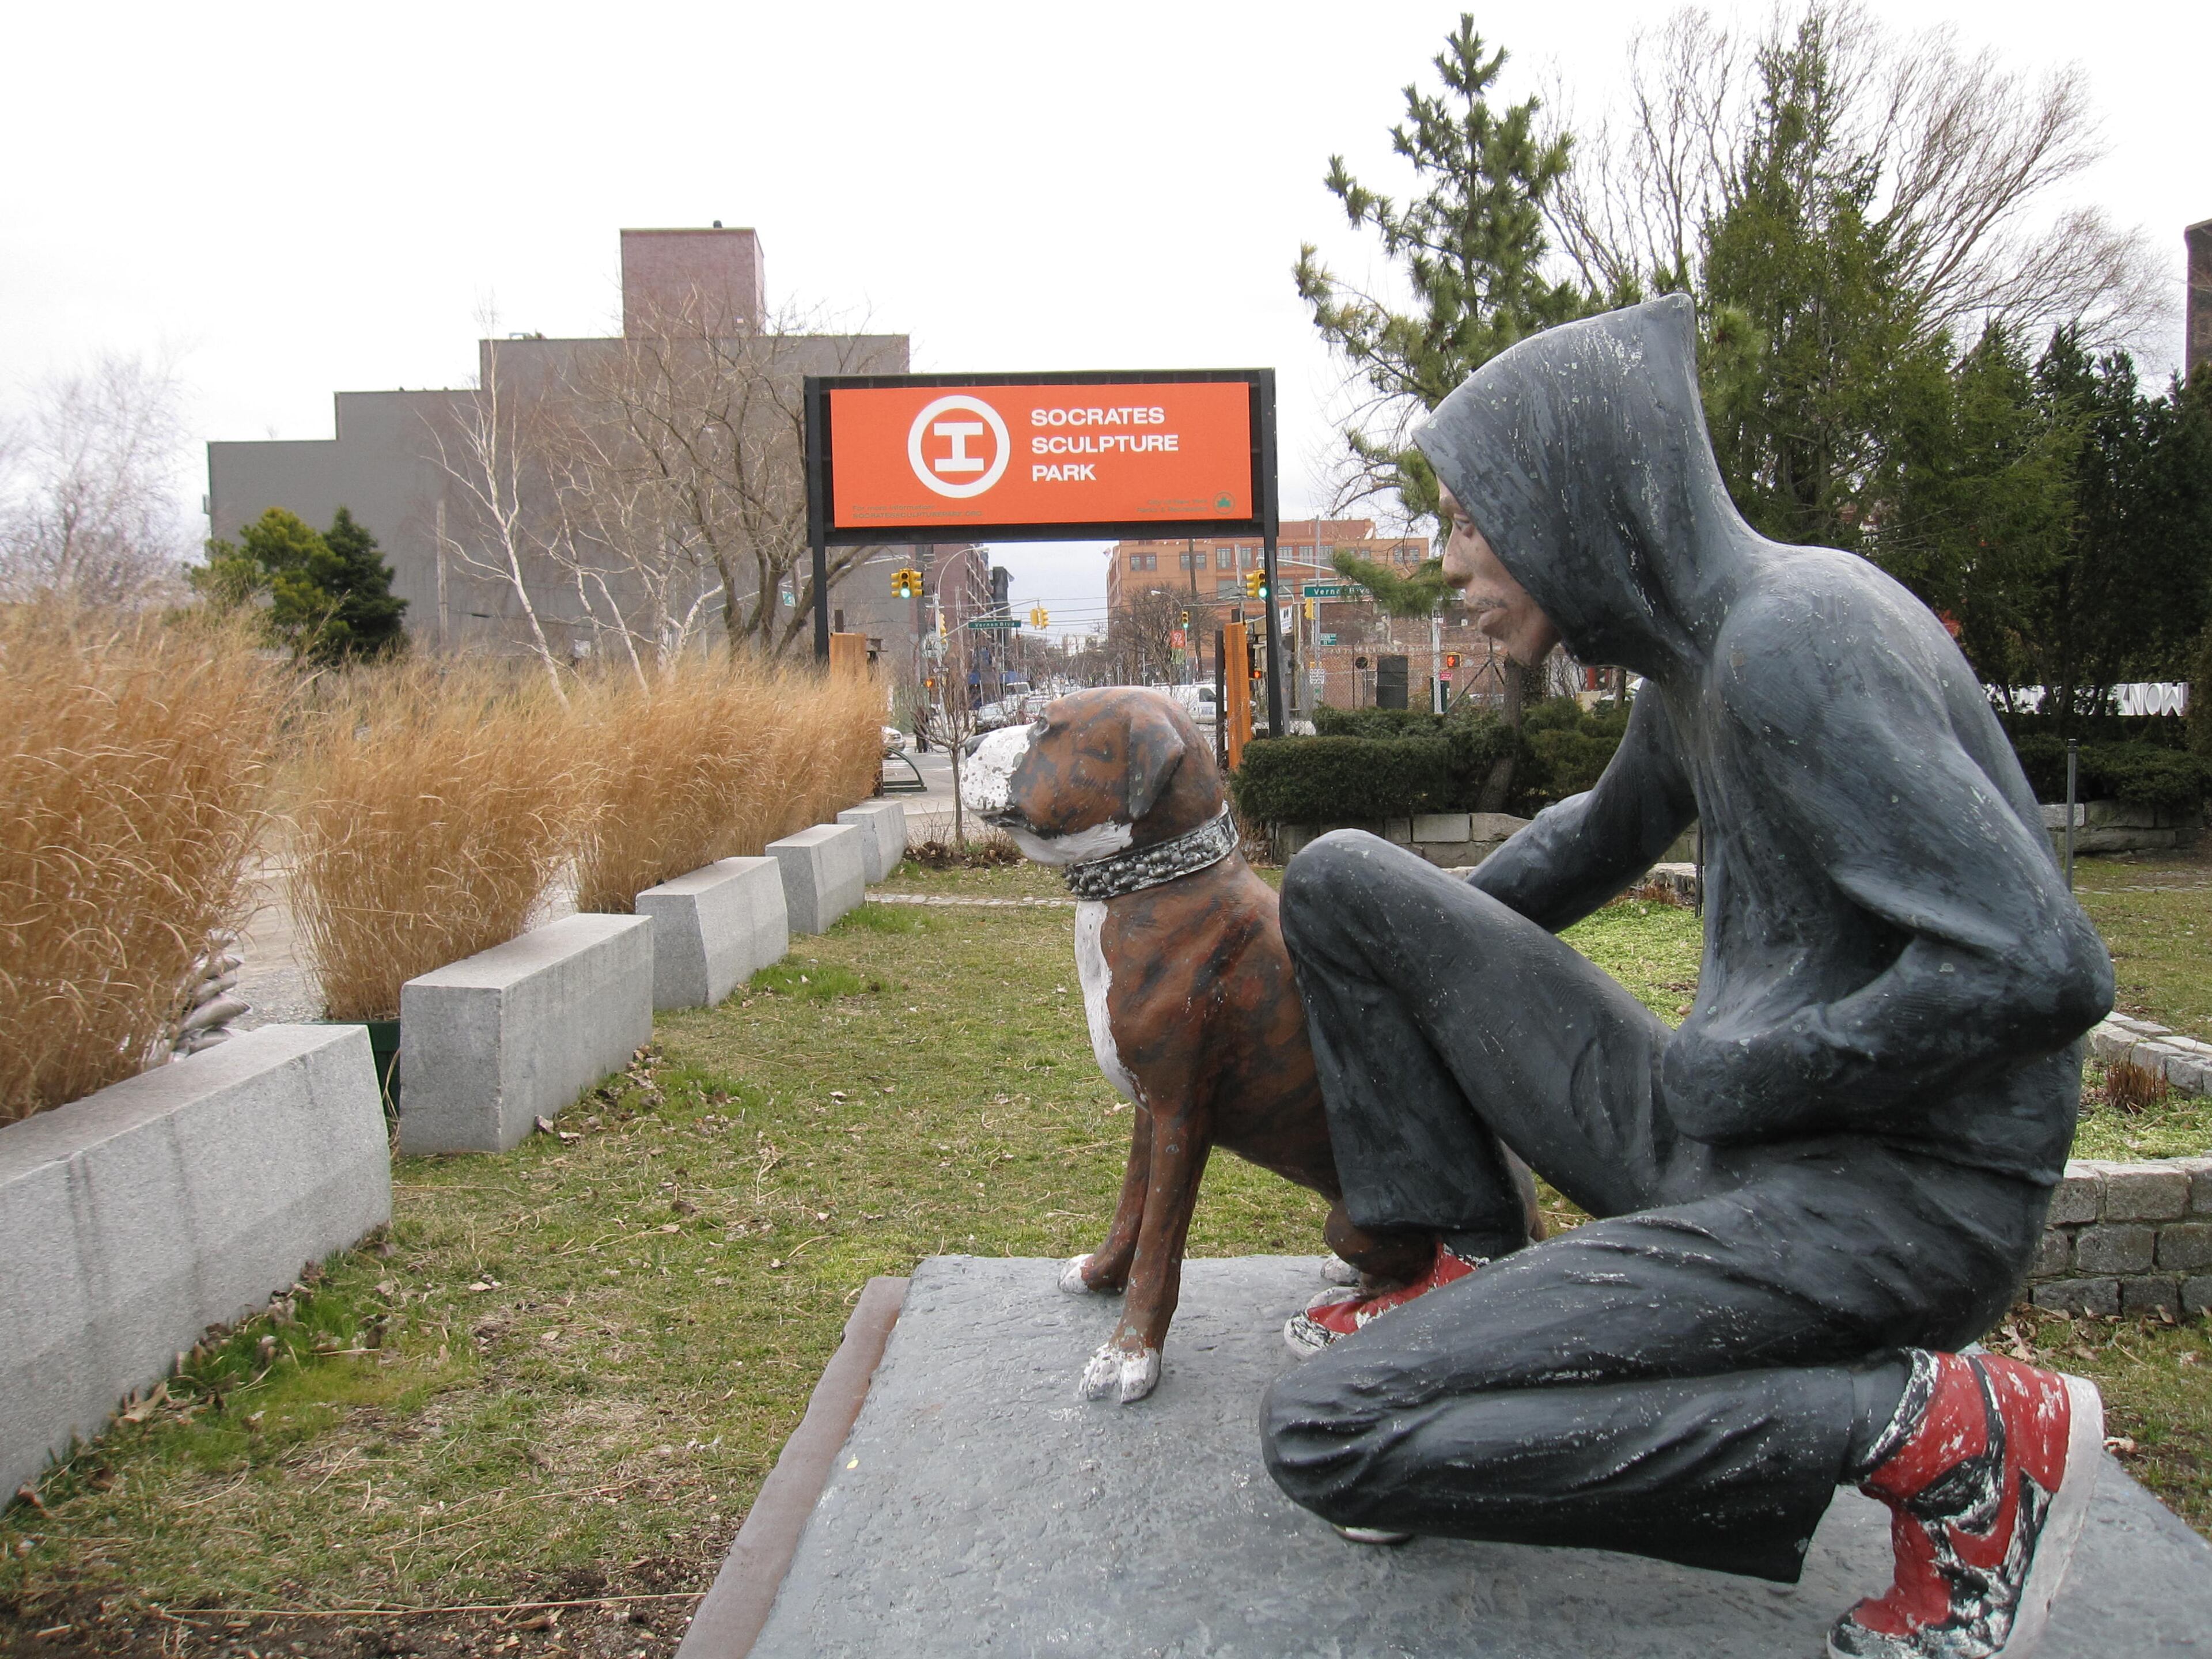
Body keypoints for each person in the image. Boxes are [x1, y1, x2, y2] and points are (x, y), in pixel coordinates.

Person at [1262, 295, 2115, 1659]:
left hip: (1890, 1211)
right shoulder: (1698, 664)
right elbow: (1587, 846)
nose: (1454, 562)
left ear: (1567, 504)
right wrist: (1395, 974)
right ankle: (1449, 1258)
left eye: (1471, 523)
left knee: (1330, 1430)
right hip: (1738, 1141)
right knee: (1343, 882)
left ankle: (1950, 1440)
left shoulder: (1797, 641)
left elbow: (2046, 965)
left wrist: (1757, 1067)